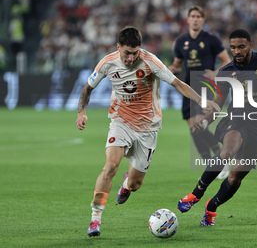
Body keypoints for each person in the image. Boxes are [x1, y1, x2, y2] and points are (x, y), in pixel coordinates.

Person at [75, 26, 220, 237]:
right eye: (127, 53)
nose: (131, 58)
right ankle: (95, 219)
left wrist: (201, 100)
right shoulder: (107, 63)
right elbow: (88, 88)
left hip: (148, 128)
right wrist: (81, 112)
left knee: (135, 184)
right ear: (118, 47)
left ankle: (126, 184)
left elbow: (178, 83)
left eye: (135, 53)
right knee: (110, 166)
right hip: (120, 121)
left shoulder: (150, 61)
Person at [177, 29, 257, 226]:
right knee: (226, 152)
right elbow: (217, 105)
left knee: (234, 178)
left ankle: (211, 207)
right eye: (233, 47)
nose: (237, 51)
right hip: (237, 118)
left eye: (241, 47)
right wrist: (206, 121)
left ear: (250, 45)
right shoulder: (226, 72)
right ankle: (196, 193)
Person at [168, 6, 231, 179]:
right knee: (193, 129)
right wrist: (169, 70)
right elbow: (178, 65)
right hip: (187, 87)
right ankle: (212, 164)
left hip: (206, 86)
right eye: (192, 16)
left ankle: (220, 160)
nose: (195, 19)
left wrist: (215, 73)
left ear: (203, 20)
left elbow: (227, 61)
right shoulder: (181, 42)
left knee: (198, 125)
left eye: (198, 16)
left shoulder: (211, 39)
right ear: (187, 20)